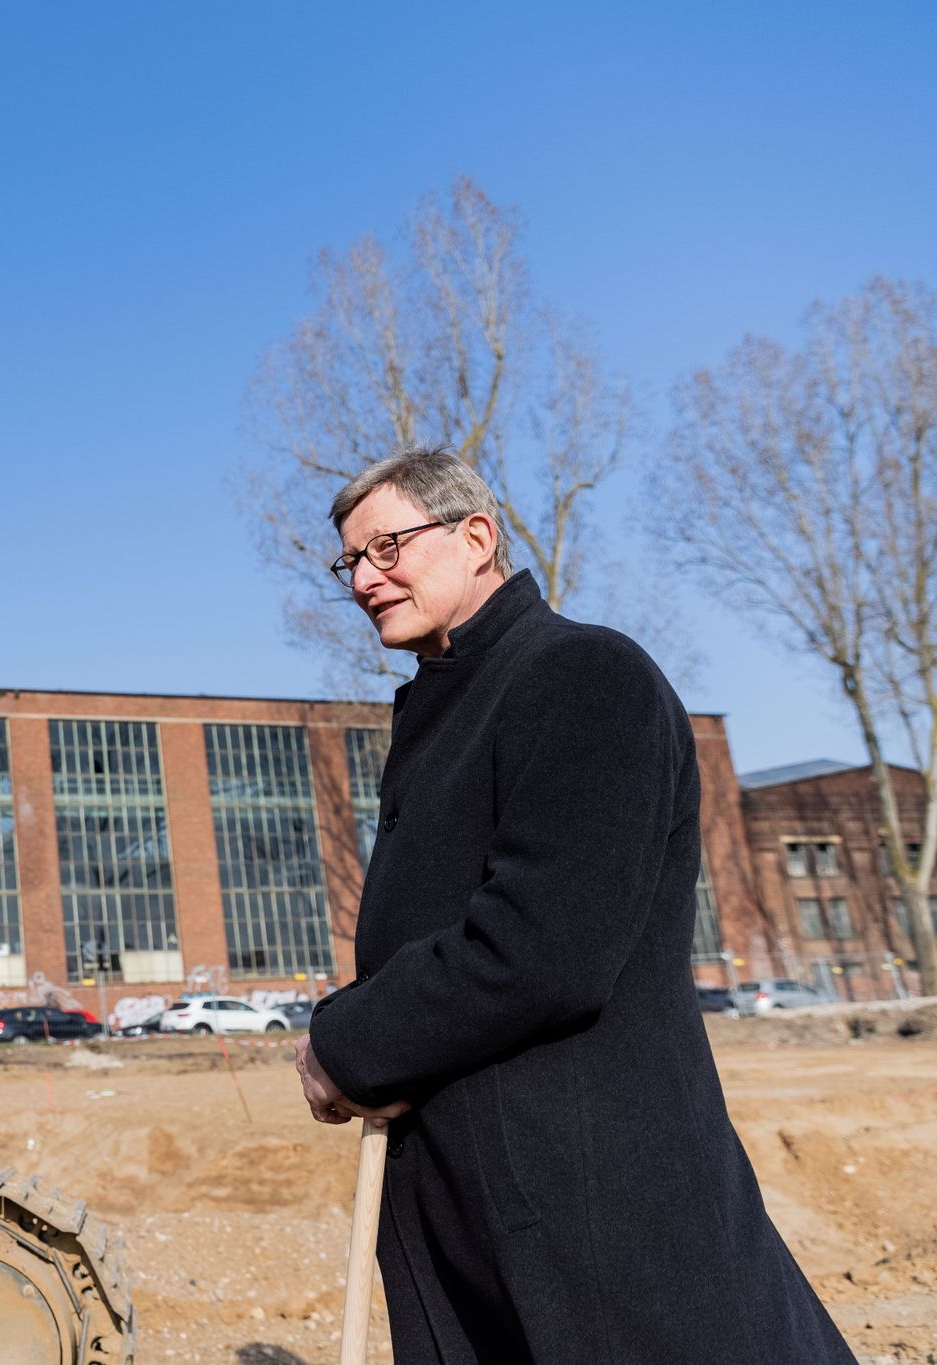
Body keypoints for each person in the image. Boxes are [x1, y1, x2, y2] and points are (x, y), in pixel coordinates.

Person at [294, 448, 852, 1362]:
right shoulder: (446, 712)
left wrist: (348, 1041)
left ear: (476, 536)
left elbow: (543, 944)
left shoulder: (585, 677)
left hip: (590, 1211)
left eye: (386, 547)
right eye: (349, 562)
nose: (364, 578)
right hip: (478, 1207)